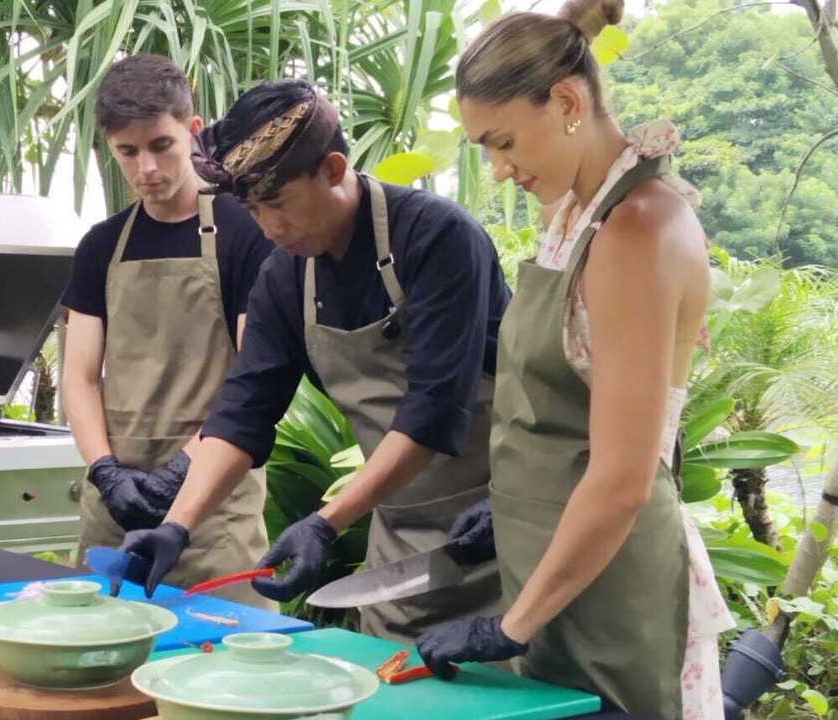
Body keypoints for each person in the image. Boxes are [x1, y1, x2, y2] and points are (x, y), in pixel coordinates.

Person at [414, 1, 736, 717]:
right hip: (557, 570)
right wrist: (508, 507)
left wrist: (505, 626)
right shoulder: (573, 216)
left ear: (566, 102)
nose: (498, 171)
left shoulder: (638, 228)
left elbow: (623, 476)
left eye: (503, 144)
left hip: (615, 582)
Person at [113, 78, 512, 644]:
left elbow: (433, 410)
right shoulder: (284, 275)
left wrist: (325, 523)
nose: (270, 228)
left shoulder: (438, 237)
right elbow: (243, 412)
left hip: (507, 522)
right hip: (402, 540)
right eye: (253, 210)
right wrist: (177, 525)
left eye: (277, 203)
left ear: (332, 168)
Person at [61, 54, 276, 608]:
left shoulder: (245, 233)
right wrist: (105, 473)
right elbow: (80, 378)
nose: (145, 169)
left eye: (161, 146)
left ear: (193, 131)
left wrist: (185, 468)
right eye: (126, 152)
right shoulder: (101, 246)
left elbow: (253, 382)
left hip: (213, 512)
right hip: (115, 513)